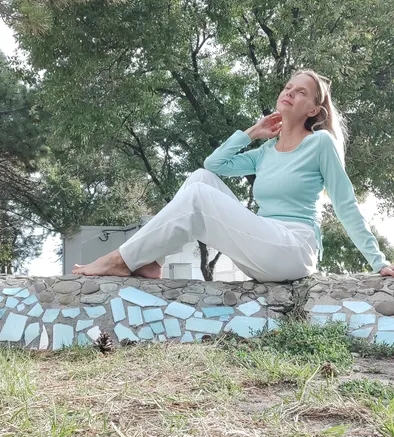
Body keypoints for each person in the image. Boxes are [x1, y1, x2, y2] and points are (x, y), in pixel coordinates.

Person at [72, 69, 394, 281]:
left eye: (300, 92)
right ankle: (152, 261)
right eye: (288, 87)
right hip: (261, 246)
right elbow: (214, 165)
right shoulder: (266, 151)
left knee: (198, 196)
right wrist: (251, 133)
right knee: (199, 179)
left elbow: (345, 205)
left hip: (293, 248)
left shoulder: (320, 143)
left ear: (313, 110)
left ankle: (121, 260)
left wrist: (378, 261)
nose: (289, 93)